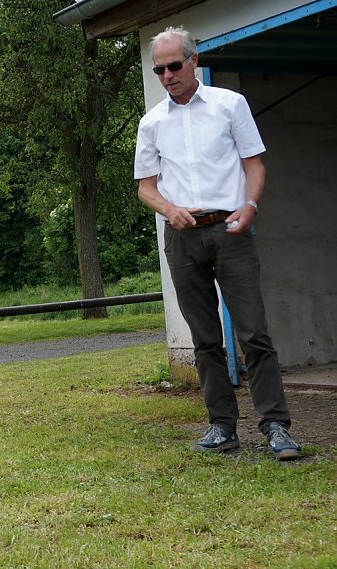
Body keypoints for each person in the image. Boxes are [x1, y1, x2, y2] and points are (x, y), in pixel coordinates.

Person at [134, 26, 302, 460]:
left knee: (254, 331)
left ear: (193, 60)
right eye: (159, 70)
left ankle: (276, 426)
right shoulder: (151, 123)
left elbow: (255, 165)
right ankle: (221, 427)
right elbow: (146, 187)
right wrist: (169, 210)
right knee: (205, 338)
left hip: (230, 229)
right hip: (182, 236)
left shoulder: (230, 104)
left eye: (174, 65)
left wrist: (250, 206)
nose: (167, 75)